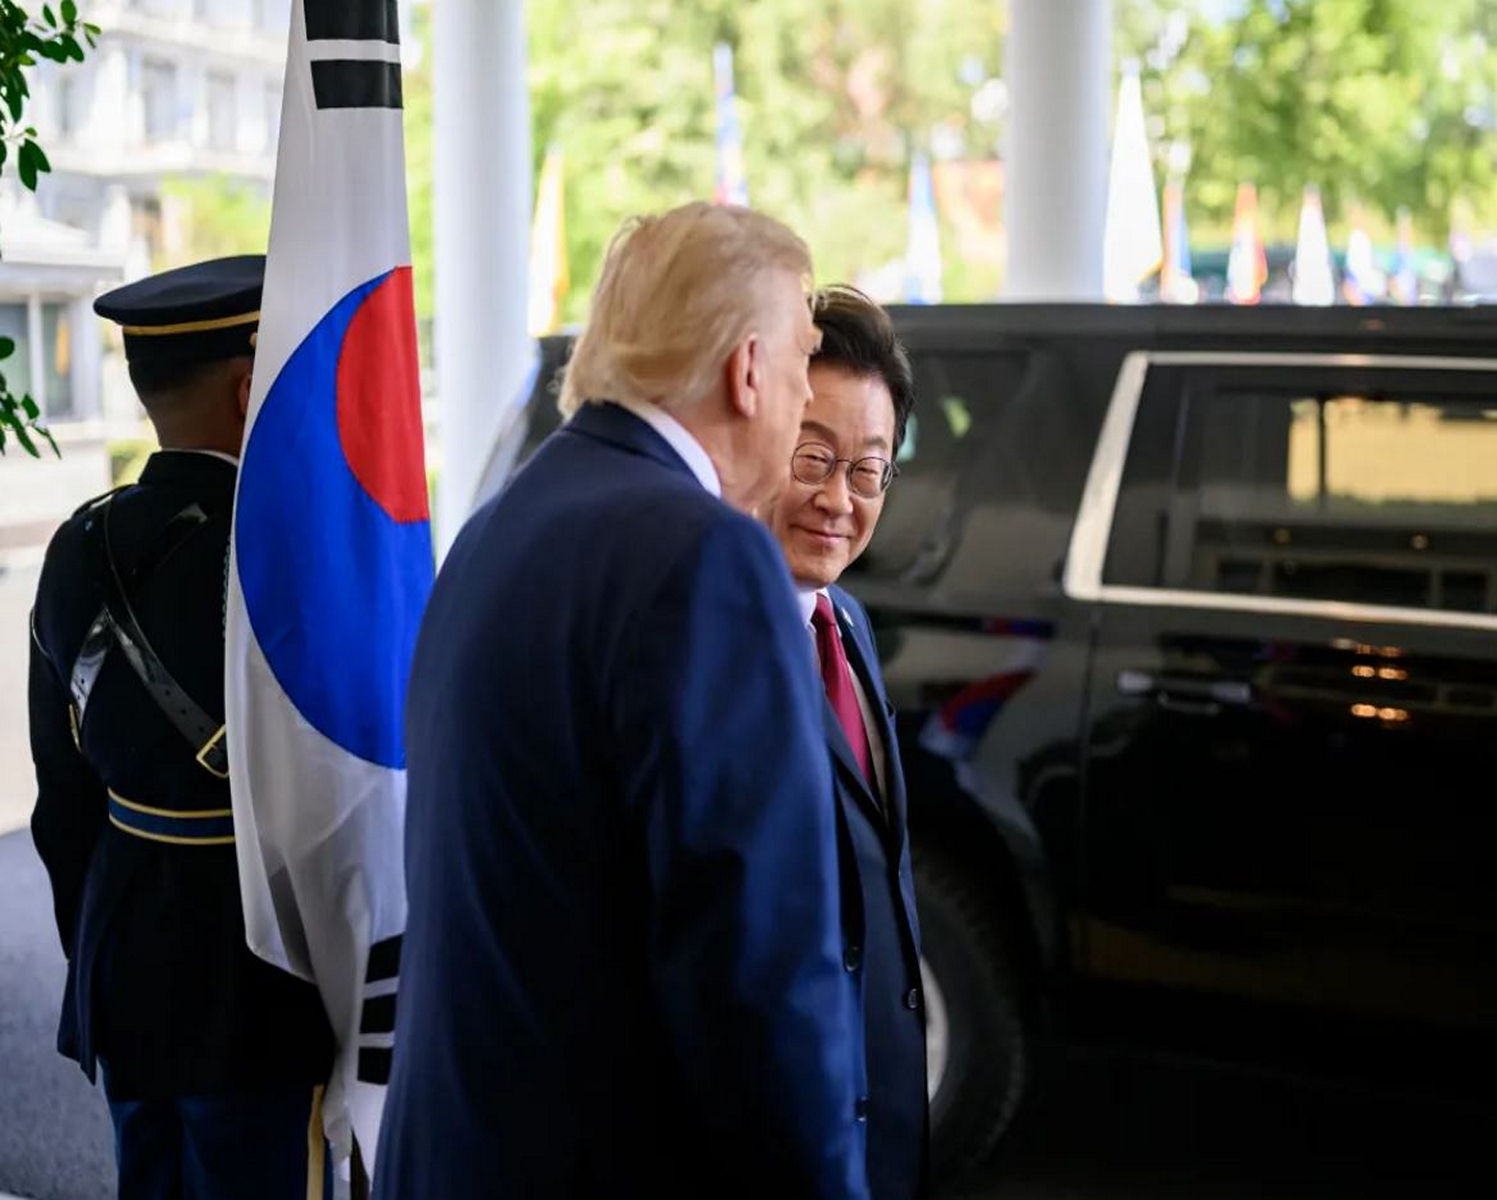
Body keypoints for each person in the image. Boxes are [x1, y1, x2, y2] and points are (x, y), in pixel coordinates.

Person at [375, 203, 868, 1200]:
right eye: (805, 357)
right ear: (747, 369)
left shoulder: (499, 525)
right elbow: (760, 978)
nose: (804, 392)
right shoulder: (703, 557)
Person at [28, 256, 336, 1200]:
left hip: (128, 948)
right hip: (258, 970)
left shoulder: (80, 541)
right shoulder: (290, 549)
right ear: (252, 387)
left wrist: (101, 955)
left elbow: (61, 800)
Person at [765, 285, 927, 1200]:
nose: (838, 499)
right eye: (813, 457)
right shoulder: (719, 644)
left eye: (867, 471)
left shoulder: (849, 624)